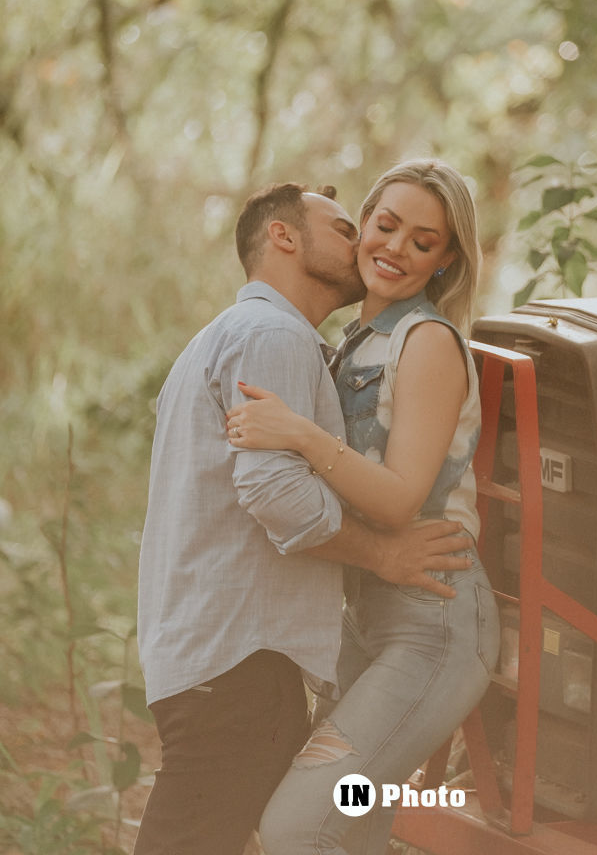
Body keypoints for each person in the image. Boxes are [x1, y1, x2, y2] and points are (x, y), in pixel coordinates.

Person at [134, 182, 474, 855]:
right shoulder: (275, 335)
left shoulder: (245, 336)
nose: (370, 245)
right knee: (288, 828)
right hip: (238, 662)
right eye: (352, 228)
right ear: (285, 237)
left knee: (320, 822)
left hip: (224, 658)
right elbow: (277, 494)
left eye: (422, 241)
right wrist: (382, 555)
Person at [226, 159, 501, 855]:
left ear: (444, 262)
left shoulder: (428, 342)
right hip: (366, 621)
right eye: (385, 226)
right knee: (355, 817)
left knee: (299, 825)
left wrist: (298, 431)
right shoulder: (356, 341)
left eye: (423, 241)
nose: (395, 249)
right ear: (361, 228)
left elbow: (403, 495)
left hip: (432, 628)